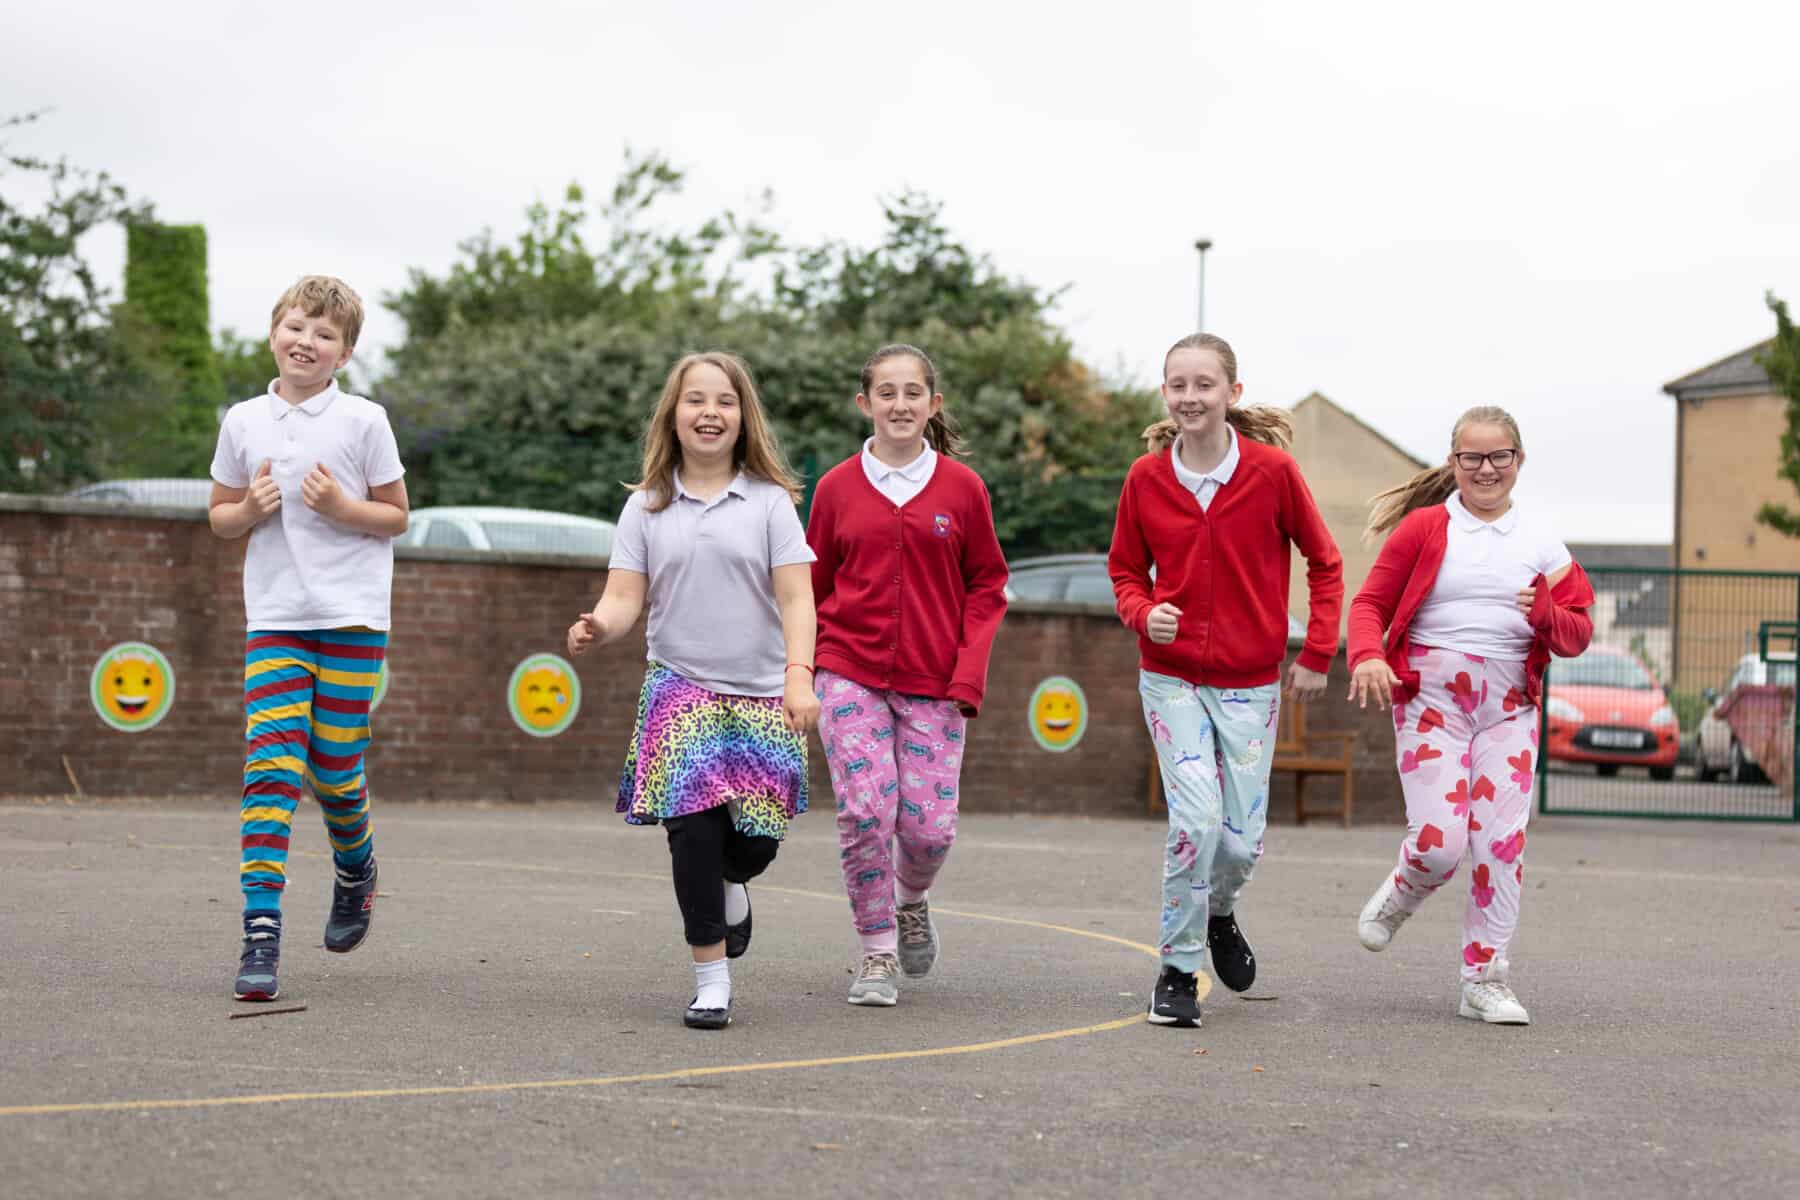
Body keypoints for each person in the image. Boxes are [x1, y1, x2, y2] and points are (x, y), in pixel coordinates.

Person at [567, 350, 818, 1030]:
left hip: (765, 695)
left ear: (744, 418)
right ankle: (711, 976)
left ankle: (734, 884)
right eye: (696, 400)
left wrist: (800, 677)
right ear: (673, 416)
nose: (710, 412)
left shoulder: (770, 504)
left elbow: (797, 598)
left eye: (725, 402)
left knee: (754, 843)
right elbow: (624, 598)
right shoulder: (646, 506)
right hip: (680, 688)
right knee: (693, 834)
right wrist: (600, 625)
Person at [1108, 332, 1343, 1029]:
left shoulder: (1272, 474)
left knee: (1239, 841)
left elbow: (1325, 563)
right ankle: (1178, 970)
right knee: (1196, 822)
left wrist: (1318, 654)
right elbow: (1124, 571)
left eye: (1203, 384)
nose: (1190, 397)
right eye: (1177, 385)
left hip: (1250, 681)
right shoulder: (1145, 478)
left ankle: (1219, 911)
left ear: (1231, 394)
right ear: (1165, 394)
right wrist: (1144, 614)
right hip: (1171, 680)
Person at [1347, 405, 1593, 1025]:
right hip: (1433, 702)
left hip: (1508, 708)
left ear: (1519, 460)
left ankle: (1485, 978)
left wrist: (1544, 613)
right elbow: (1370, 603)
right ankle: (1404, 890)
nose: (1487, 469)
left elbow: (1577, 632)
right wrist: (1368, 657)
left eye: (1499, 456)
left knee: (1500, 843)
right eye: (1472, 458)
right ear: (1453, 462)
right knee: (1439, 846)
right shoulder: (1427, 528)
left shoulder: (1541, 543)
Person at [208, 276, 408, 1002]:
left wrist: (340, 506)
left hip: (353, 617)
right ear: (273, 333)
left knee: (330, 770)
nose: (307, 341)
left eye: (325, 334)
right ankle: (260, 933)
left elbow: (395, 517)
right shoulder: (243, 421)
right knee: (271, 769)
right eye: (297, 326)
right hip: (276, 618)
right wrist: (248, 510)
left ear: (344, 353)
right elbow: (220, 516)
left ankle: (356, 867)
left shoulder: (363, 421)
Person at [805, 344, 1009, 1007]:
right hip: (848, 671)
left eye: (912, 393)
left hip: (936, 681)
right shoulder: (836, 488)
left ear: (933, 404)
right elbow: (811, 587)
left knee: (928, 829)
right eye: (885, 393)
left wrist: (968, 674)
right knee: (866, 812)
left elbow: (987, 586)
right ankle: (876, 953)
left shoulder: (963, 489)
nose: (899, 404)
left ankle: (910, 898)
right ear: (865, 404)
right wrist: (801, 671)